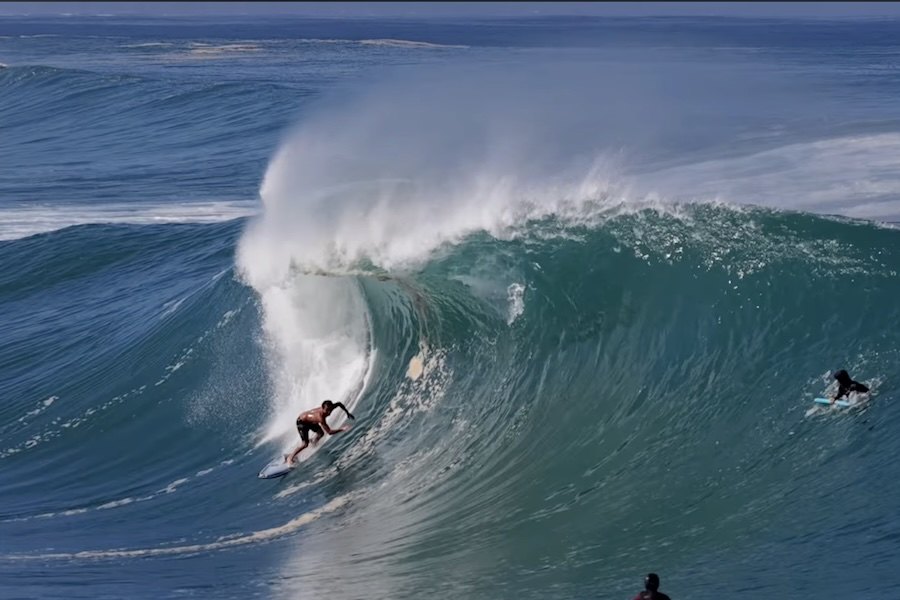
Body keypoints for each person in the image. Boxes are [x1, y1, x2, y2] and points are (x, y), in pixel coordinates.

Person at [285, 400, 355, 464]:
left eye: (330, 410)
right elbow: (329, 432)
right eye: (327, 410)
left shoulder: (331, 407)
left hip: (311, 421)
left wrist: (347, 413)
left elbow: (339, 404)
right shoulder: (320, 417)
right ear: (323, 408)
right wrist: (342, 429)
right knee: (305, 444)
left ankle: (313, 443)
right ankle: (290, 457)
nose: (329, 412)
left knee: (321, 434)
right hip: (302, 422)